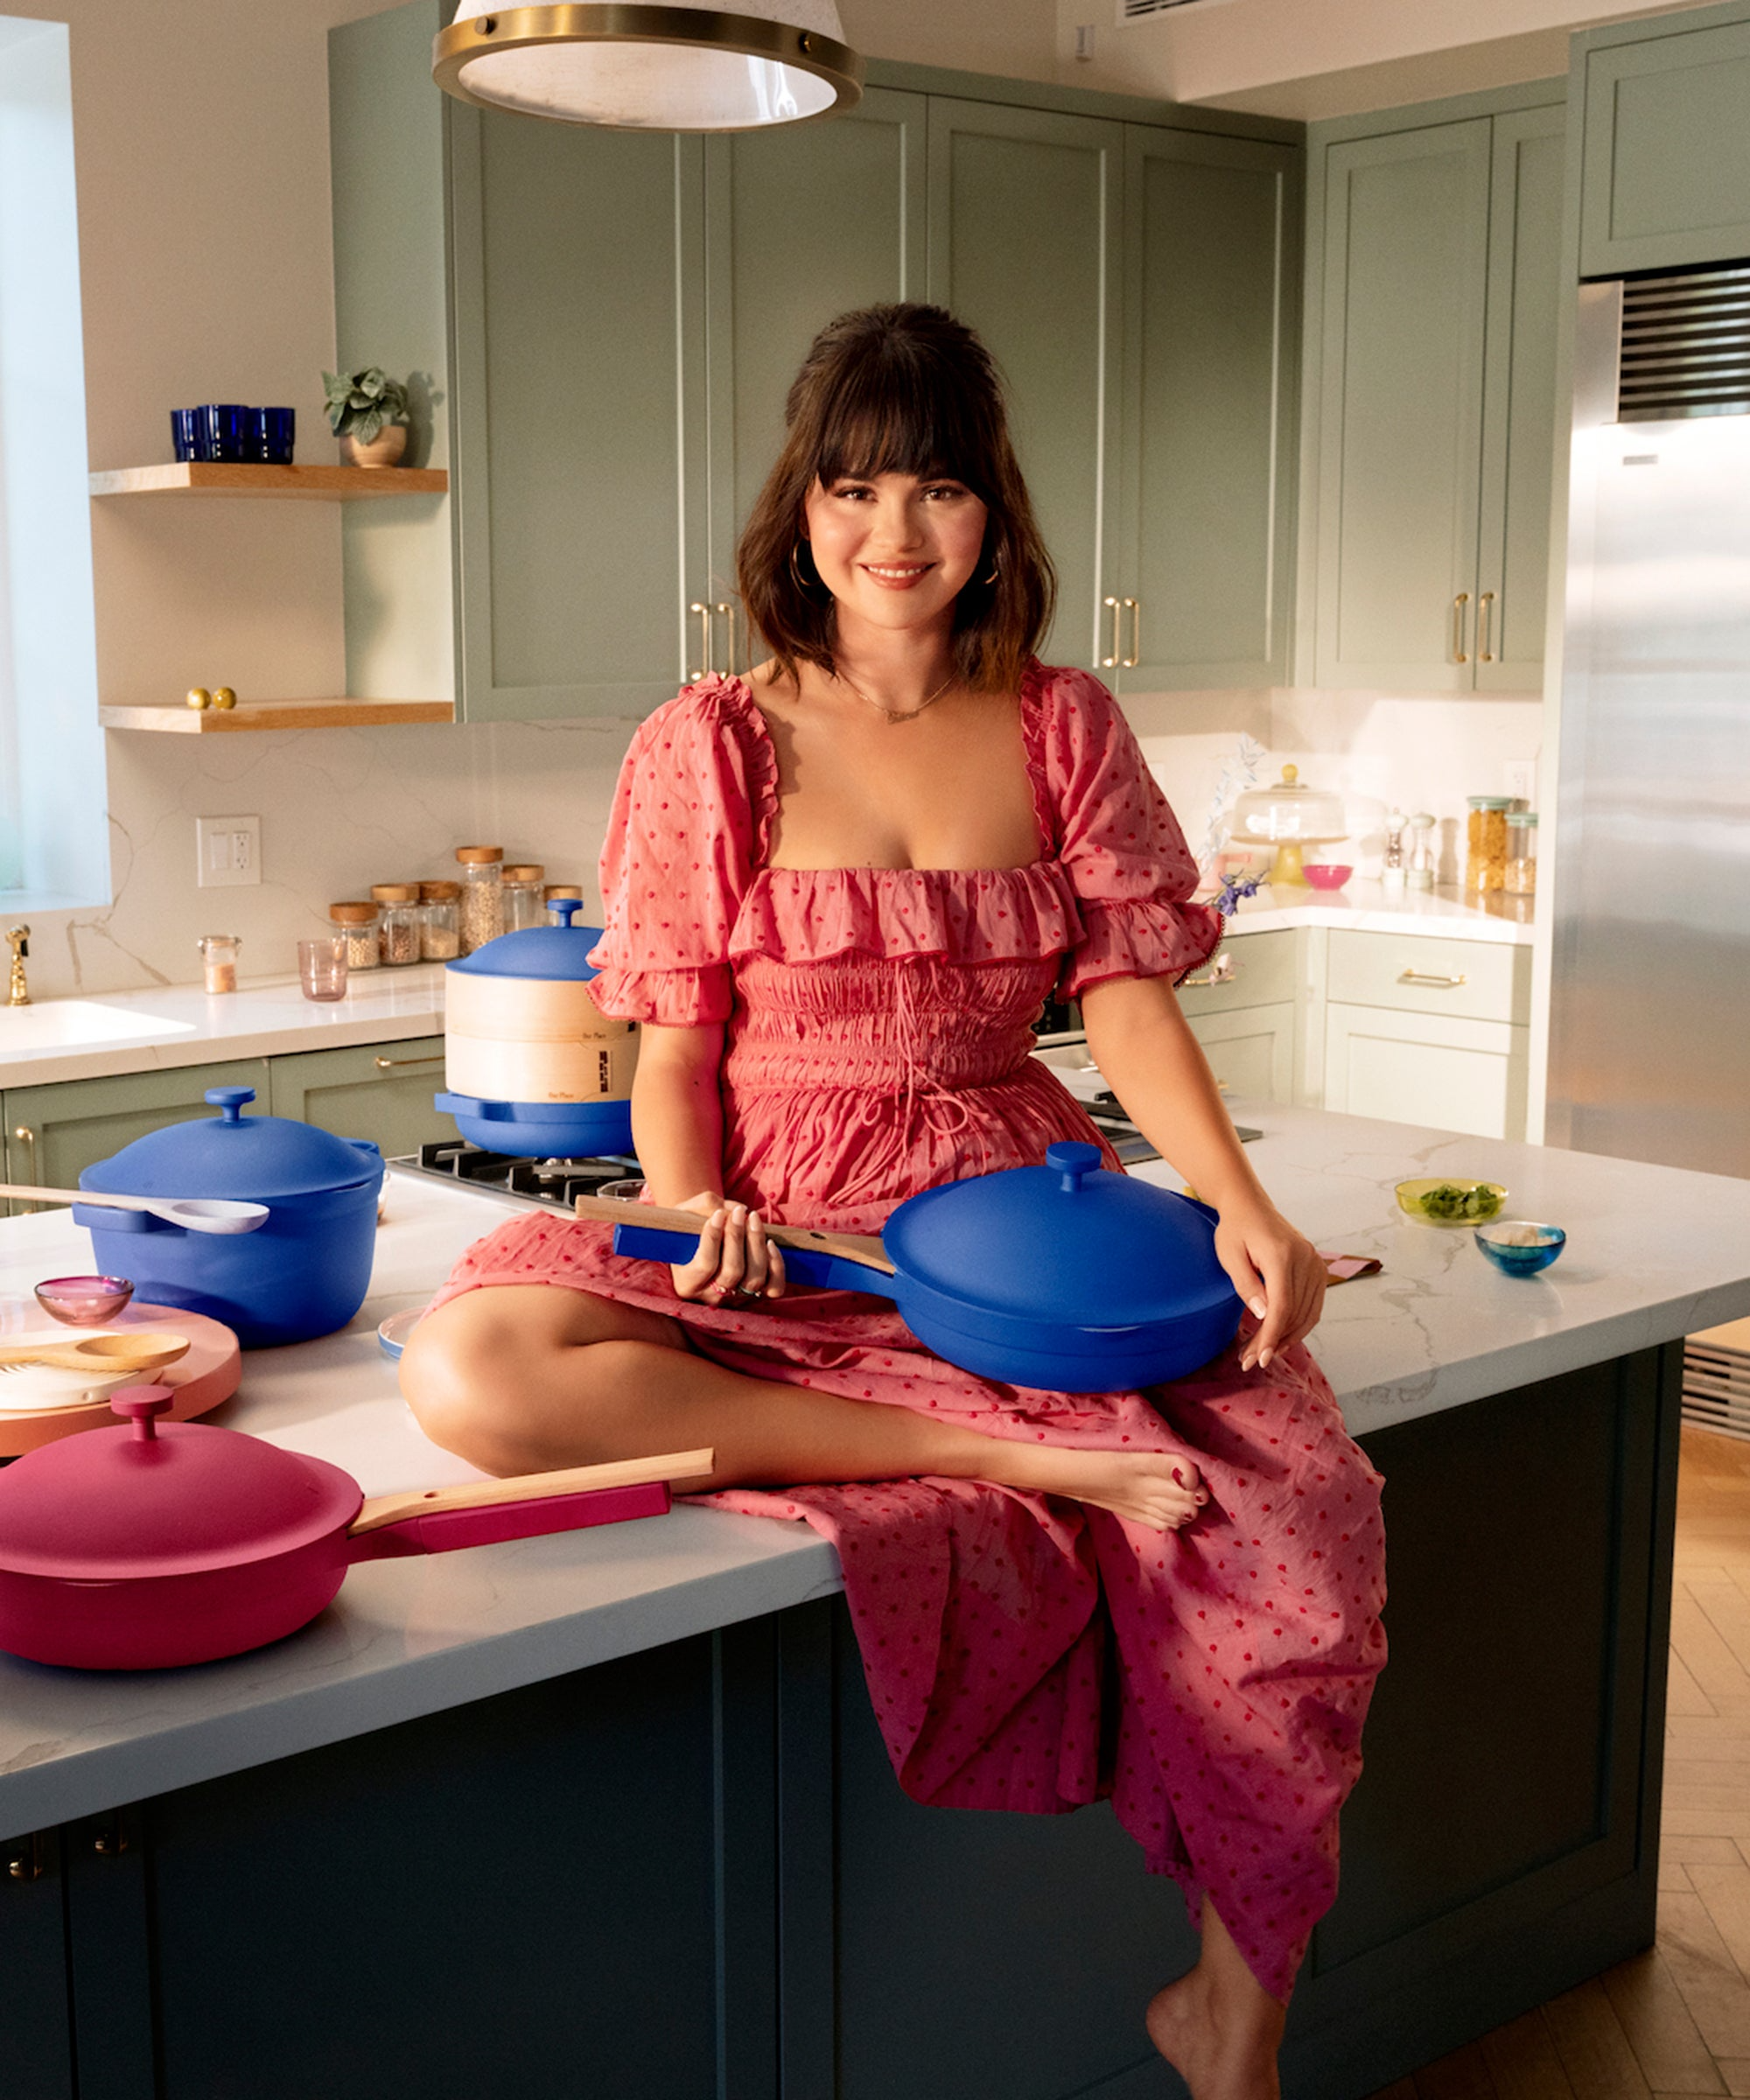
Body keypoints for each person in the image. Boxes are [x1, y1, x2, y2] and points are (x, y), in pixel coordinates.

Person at [402, 303, 1386, 2100]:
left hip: (1012, 1201)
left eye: (936, 488)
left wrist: (1238, 1201)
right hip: (781, 1212)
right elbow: (674, 1046)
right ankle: (1026, 1460)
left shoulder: (1064, 722)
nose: (894, 532)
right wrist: (693, 1209)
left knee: (1299, 1507)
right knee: (477, 1372)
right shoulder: (710, 743)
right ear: (799, 511)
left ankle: (1233, 2013)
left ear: (992, 514)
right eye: (853, 488)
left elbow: (1125, 997)